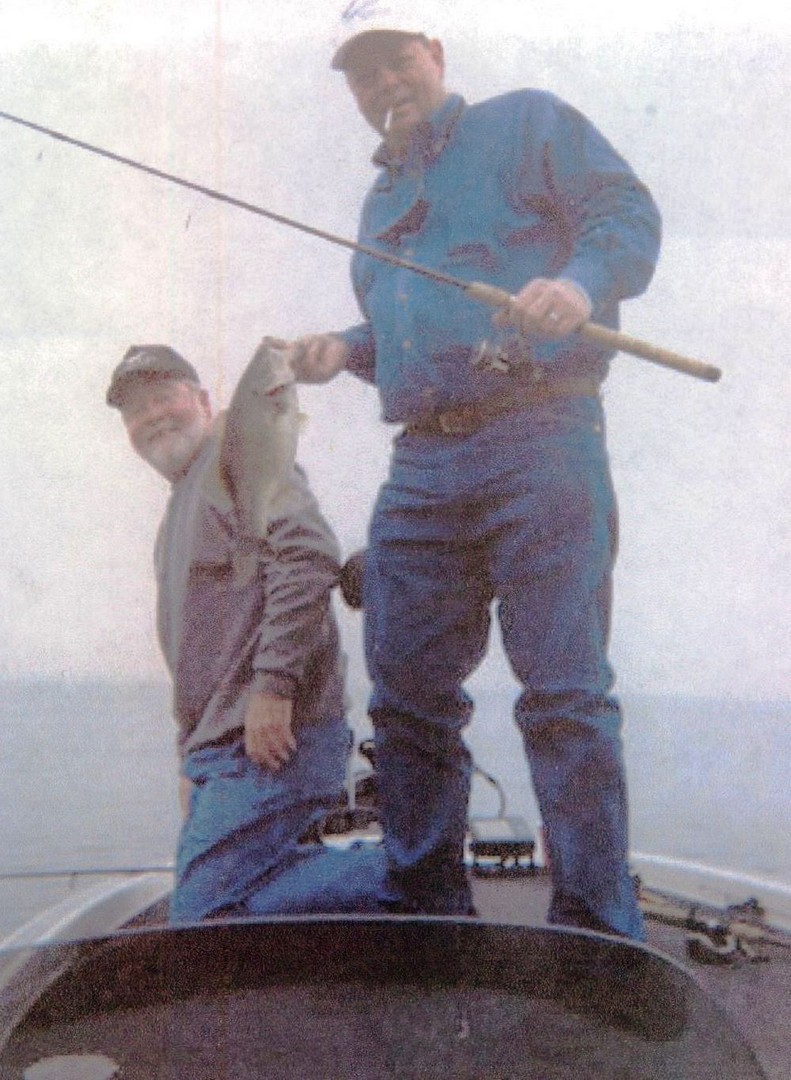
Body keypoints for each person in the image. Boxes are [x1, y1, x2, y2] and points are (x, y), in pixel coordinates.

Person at [291, 20, 662, 939]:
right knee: (405, 698)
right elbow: (412, 331)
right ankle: (424, 909)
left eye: (397, 61)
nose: (385, 84)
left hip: (542, 435)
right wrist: (346, 348)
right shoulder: (380, 201)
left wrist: (578, 284)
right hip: (423, 461)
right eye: (363, 75)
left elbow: (625, 214)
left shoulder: (526, 123)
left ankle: (594, 926)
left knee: (564, 691)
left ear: (435, 54)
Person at [107, 344, 385, 922]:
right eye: (136, 409)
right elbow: (195, 657)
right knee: (218, 897)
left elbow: (307, 557)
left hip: (270, 741)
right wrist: (189, 757)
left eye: (163, 397)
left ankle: (411, 871)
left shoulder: (242, 456)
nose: (152, 415)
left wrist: (274, 688)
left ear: (204, 401)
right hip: (221, 754)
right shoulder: (179, 509)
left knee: (203, 912)